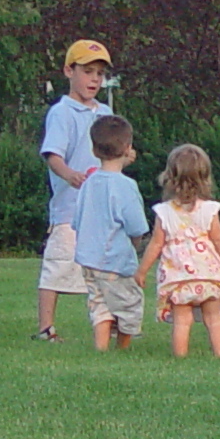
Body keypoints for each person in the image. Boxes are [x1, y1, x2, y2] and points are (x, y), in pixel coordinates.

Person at [135, 143, 220, 358]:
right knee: (213, 318)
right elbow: (219, 240)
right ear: (205, 178)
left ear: (169, 177)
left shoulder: (165, 212)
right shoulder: (209, 209)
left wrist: (142, 270)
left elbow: (156, 244)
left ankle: (180, 356)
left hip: (179, 278)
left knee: (182, 320)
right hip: (209, 276)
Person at [32, 39, 113, 340]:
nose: (94, 79)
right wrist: (70, 175)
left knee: (105, 269)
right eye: (87, 71)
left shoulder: (105, 113)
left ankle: (110, 323)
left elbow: (115, 151)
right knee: (58, 266)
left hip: (101, 210)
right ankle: (45, 328)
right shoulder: (62, 113)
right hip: (70, 210)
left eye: (99, 74)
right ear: (69, 70)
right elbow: (53, 155)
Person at [71, 114, 149, 352]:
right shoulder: (125, 186)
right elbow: (137, 226)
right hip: (115, 260)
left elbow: (77, 221)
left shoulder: (89, 182)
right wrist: (135, 244)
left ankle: (101, 347)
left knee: (100, 306)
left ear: (94, 149)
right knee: (129, 305)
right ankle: (122, 347)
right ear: (127, 148)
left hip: (88, 259)